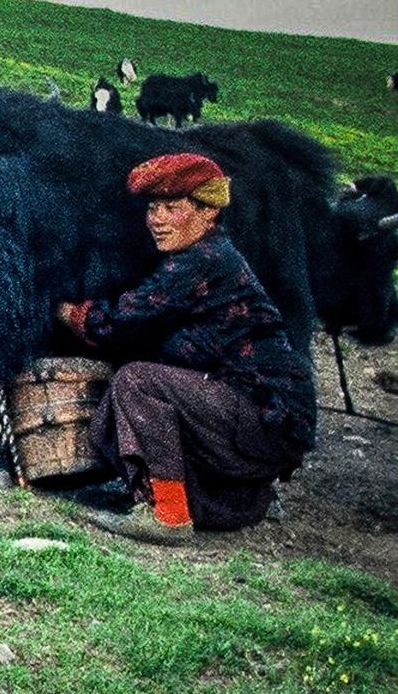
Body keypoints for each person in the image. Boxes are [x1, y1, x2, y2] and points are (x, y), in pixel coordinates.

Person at [53, 151, 315, 543]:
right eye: (153, 208)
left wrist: (64, 310)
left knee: (137, 383)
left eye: (171, 207)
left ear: (208, 212)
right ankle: (230, 502)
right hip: (254, 414)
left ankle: (170, 517)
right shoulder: (204, 256)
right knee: (112, 414)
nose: (156, 219)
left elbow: (120, 319)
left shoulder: (201, 261)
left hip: (261, 413)